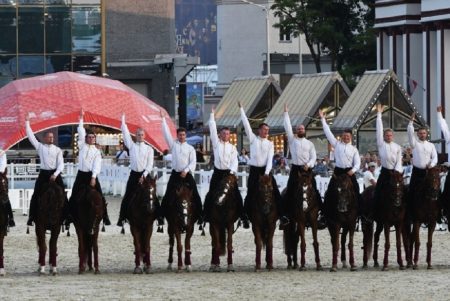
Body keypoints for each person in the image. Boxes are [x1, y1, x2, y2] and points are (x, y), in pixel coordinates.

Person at [239, 102, 289, 227]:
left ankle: (282, 215)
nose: (267, 132)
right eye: (265, 130)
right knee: (250, 192)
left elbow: (269, 159)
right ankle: (245, 216)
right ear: (259, 130)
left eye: (268, 130)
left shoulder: (270, 144)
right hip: (255, 170)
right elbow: (246, 125)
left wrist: (267, 173)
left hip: (265, 171)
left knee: (275, 191)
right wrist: (241, 110)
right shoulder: (253, 139)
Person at [67, 110, 111, 226]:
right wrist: (81, 119)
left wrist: (93, 177)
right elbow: (80, 131)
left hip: (91, 175)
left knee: (100, 195)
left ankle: (105, 216)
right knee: (74, 194)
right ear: (86, 138)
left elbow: (97, 164)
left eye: (93, 137)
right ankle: (69, 216)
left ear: (95, 139)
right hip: (81, 174)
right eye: (89, 137)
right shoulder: (82, 145)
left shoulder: (97, 151)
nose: (91, 139)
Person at [117, 113, 162, 227]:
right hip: (134, 174)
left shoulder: (149, 149)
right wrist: (123, 122)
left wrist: (144, 175)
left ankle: (159, 217)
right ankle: (122, 218)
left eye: (142, 134)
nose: (140, 136)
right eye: (138, 134)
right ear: (135, 136)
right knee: (127, 195)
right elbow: (126, 135)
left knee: (153, 196)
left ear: (144, 136)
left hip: (145, 174)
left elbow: (150, 164)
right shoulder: (131, 146)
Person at [203, 108, 245, 226]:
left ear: (229, 135)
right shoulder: (216, 144)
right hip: (217, 173)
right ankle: (205, 215)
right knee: (211, 193)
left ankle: (242, 216)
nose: (226, 135)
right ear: (220, 135)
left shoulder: (232, 147)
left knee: (237, 193)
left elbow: (235, 161)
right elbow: (212, 128)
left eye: (227, 134)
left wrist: (232, 172)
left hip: (229, 174)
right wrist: (212, 115)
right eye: (224, 133)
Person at [160, 110, 203, 227]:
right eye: (180, 135)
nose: (182, 136)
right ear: (177, 135)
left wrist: (186, 170)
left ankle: (200, 216)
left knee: (196, 194)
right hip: (175, 174)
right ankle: (161, 217)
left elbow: (193, 161)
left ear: (186, 135)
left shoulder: (190, 148)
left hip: (187, 174)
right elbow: (166, 134)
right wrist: (163, 120)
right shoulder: (173, 145)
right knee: (167, 194)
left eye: (183, 135)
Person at [283, 104, 324, 226]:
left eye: (302, 129)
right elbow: (287, 127)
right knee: (290, 189)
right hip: (295, 169)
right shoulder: (292, 140)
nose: (300, 130)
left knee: (315, 190)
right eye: (299, 129)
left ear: (304, 131)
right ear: (296, 131)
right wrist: (286, 113)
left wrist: (309, 164)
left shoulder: (310, 144)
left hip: (307, 169)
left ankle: (321, 213)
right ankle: (285, 214)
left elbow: (314, 157)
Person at [25, 114, 65, 227]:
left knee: (63, 194)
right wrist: (27, 122)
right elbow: (31, 136)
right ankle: (31, 216)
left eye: (52, 137)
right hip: (43, 174)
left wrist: (56, 174)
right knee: (36, 194)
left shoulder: (58, 150)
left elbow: (61, 164)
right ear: (44, 138)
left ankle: (66, 216)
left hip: (55, 174)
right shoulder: (40, 147)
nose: (51, 138)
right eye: (49, 137)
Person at [319, 109, 361, 208]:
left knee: (356, 189)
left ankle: (360, 213)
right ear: (342, 136)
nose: (346, 137)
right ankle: (325, 213)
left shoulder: (354, 149)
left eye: (348, 136)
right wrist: (323, 120)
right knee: (330, 190)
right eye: (344, 136)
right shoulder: (337, 144)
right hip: (338, 171)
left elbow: (358, 163)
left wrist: (353, 170)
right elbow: (328, 133)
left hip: (349, 171)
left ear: (350, 137)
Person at [407, 111, 437, 204]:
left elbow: (435, 157)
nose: (422, 135)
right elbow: (409, 133)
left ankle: (439, 212)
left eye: (424, 133)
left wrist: (431, 165)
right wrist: (411, 122)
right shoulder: (414, 143)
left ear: (426, 134)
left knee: (436, 189)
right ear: (417, 134)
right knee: (411, 192)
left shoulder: (431, 145)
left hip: (429, 171)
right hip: (417, 172)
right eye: (420, 133)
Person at [0, 149, 15, 227]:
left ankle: (11, 218)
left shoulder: (2, 152)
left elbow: (3, 164)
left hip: (1, 173)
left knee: (5, 197)